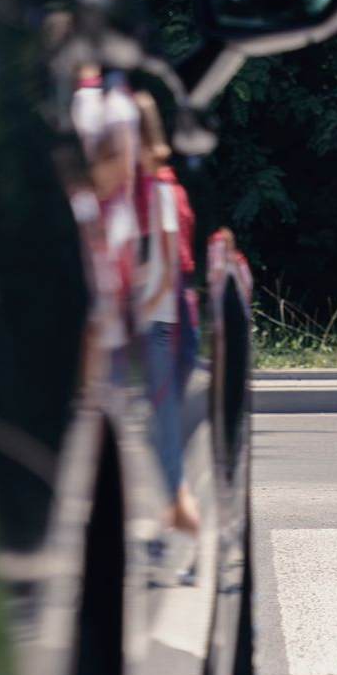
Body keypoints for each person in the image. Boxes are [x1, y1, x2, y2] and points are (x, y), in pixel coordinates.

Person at [133, 91, 201, 538]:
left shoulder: (157, 192)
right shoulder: (154, 188)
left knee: (162, 435)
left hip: (158, 324)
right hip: (164, 322)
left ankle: (180, 526)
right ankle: (174, 525)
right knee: (159, 433)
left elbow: (166, 268)